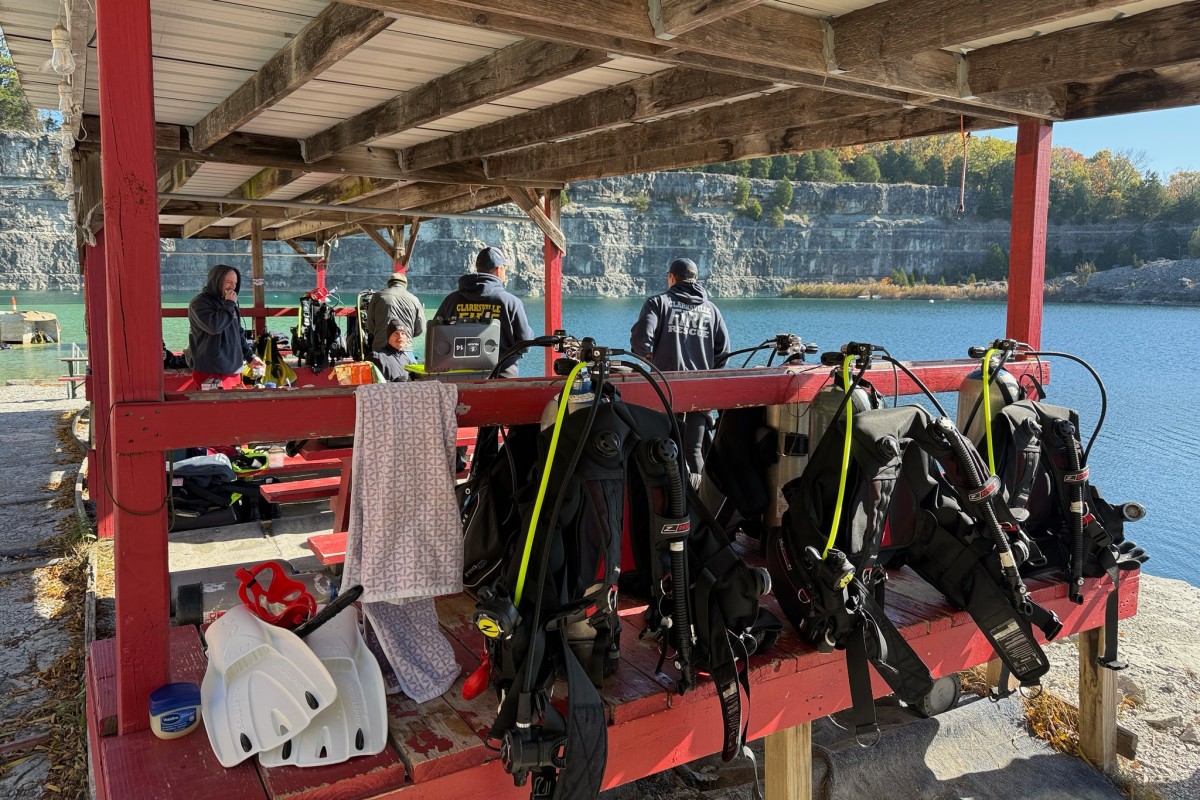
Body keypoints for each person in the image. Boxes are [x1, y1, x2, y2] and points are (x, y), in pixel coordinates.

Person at [630, 257, 730, 486]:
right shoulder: (711, 310)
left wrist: (652, 361)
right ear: (695, 280)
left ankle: (670, 507)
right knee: (694, 451)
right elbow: (723, 353)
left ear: (671, 278)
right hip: (700, 393)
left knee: (663, 449)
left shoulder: (658, 303)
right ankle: (703, 509)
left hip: (666, 391)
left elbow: (641, 342)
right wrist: (706, 376)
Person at [435, 246, 534, 378]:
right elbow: (525, 344)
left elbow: (435, 335)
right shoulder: (510, 302)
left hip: (458, 376)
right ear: (499, 270)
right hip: (501, 376)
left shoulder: (451, 300)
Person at [187, 264, 262, 389]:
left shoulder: (230, 304)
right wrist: (228, 304)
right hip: (211, 369)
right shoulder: (199, 303)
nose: (232, 287)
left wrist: (251, 356)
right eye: (228, 282)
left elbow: (238, 333)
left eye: (235, 283)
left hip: (233, 368)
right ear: (216, 281)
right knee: (216, 407)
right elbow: (214, 327)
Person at [365, 269, 425, 355]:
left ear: (389, 283)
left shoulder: (378, 296)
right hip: (405, 349)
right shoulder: (415, 300)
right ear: (405, 285)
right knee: (407, 368)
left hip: (381, 348)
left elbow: (370, 326)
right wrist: (405, 334)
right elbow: (420, 329)